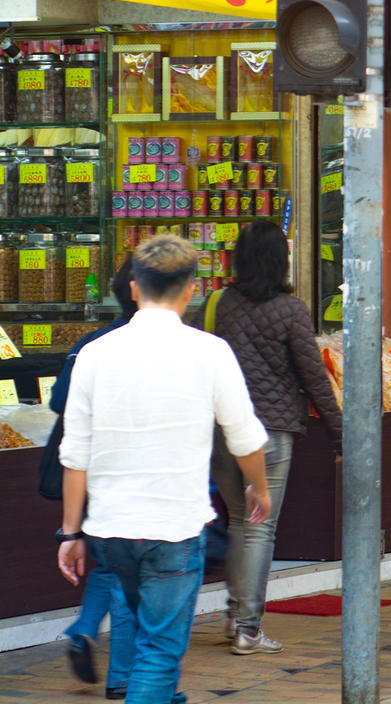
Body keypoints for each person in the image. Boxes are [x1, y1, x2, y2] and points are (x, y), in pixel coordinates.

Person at [57, 235, 273, 704]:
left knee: (147, 633)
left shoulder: (95, 353)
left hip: (111, 532)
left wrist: (69, 533)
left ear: (134, 288)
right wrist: (259, 487)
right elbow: (244, 436)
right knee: (159, 649)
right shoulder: (210, 351)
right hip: (172, 529)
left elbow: (76, 455)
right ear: (191, 289)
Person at [210, 221, 344, 655]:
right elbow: (314, 377)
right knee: (258, 528)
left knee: (238, 522)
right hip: (270, 430)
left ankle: (236, 616)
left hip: (223, 429)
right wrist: (341, 433)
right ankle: (248, 628)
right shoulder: (291, 310)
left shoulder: (220, 304)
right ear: (280, 259)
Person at [46, 260, 138, 694]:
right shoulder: (175, 348)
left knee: (107, 562)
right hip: (131, 476)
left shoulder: (92, 342)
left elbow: (58, 400)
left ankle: (84, 627)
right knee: (125, 575)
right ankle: (122, 675)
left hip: (92, 472)